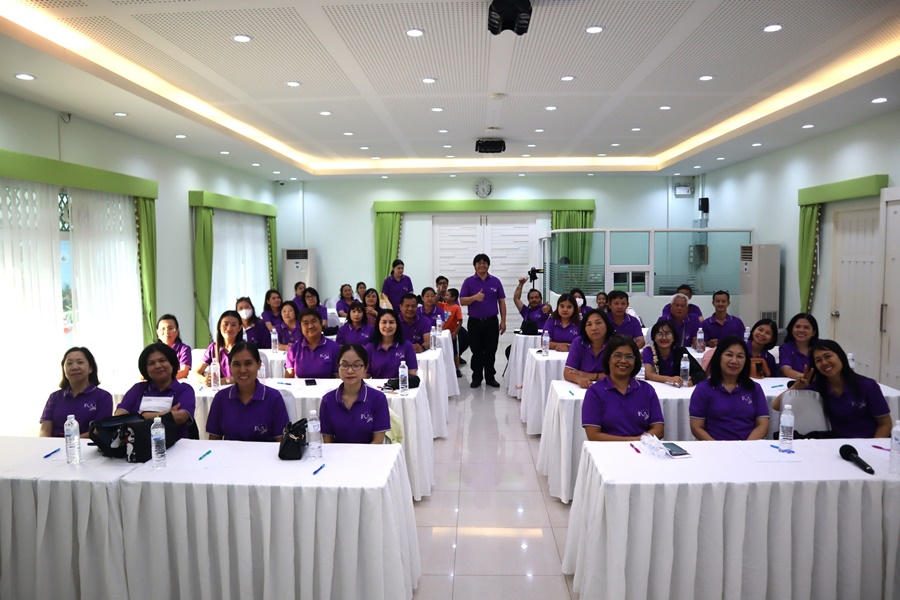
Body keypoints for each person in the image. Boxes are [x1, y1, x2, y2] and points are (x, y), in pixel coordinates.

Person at [773, 339, 892, 438]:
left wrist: (873, 446)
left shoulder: (867, 386)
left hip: (867, 442)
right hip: (836, 442)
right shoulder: (819, 386)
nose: (824, 363)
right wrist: (796, 387)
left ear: (841, 356)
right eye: (818, 360)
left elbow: (885, 424)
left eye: (828, 356)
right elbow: (777, 405)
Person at [581, 336, 664, 441]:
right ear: (608, 359)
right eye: (617, 356)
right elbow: (593, 435)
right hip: (607, 449)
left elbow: (659, 430)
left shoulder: (646, 390)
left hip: (642, 449)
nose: (623, 361)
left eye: (629, 357)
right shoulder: (595, 392)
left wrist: (639, 442)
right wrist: (635, 441)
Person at [689, 336, 769, 441]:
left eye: (740, 356)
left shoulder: (754, 388)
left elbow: (763, 425)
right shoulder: (703, 389)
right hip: (713, 447)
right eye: (729, 355)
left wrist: (745, 446)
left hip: (748, 447)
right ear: (719, 357)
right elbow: (696, 427)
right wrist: (718, 447)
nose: (734, 361)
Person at [206, 342, 290, 442]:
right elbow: (214, 441)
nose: (242, 370)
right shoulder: (221, 398)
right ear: (229, 366)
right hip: (230, 452)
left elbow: (281, 442)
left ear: (259, 364)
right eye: (236, 364)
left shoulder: (273, 398)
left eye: (248, 363)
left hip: (265, 452)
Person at [116, 342, 196, 439]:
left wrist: (140, 416)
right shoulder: (138, 389)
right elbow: (119, 416)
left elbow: (180, 417)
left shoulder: (184, 389)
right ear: (145, 369)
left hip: (176, 444)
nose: (158, 366)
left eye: (162, 360)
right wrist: (165, 414)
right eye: (151, 363)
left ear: (172, 364)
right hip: (137, 443)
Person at [320, 345, 391, 444]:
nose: (350, 371)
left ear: (366, 368)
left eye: (356, 365)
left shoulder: (378, 398)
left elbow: (377, 442)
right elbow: (328, 442)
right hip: (338, 454)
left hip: (370, 453)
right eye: (344, 365)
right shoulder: (328, 400)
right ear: (338, 367)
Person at [40, 347, 112, 437]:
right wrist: (46, 443)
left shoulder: (103, 397)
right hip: (55, 444)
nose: (74, 367)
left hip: (87, 444)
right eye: (69, 363)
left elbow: (99, 431)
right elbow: (45, 430)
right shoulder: (54, 397)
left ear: (90, 368)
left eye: (80, 362)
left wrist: (71, 441)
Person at [460, 254, 506, 388]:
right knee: (477, 351)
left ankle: (490, 377)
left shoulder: (495, 281)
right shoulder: (468, 281)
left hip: (491, 321)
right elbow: (462, 301)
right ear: (474, 266)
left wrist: (503, 321)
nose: (482, 265)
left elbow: (501, 302)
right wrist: (475, 297)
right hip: (475, 322)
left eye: (484, 263)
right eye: (479, 263)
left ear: (488, 265)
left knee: (491, 350)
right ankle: (477, 377)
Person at [642, 320, 705, 387]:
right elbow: (648, 375)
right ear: (654, 337)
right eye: (659, 334)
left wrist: (692, 380)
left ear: (673, 338)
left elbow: (701, 373)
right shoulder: (650, 350)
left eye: (668, 334)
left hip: (677, 389)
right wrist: (669, 379)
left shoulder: (680, 351)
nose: (664, 338)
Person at [285, 308, 339, 379]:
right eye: (305, 323)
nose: (310, 326)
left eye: (314, 321)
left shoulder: (334, 347)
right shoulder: (294, 349)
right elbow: (288, 380)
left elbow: (338, 378)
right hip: (301, 386)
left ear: (321, 323)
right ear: (301, 328)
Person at [194, 310, 244, 386]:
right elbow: (195, 372)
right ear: (219, 326)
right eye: (226, 324)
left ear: (240, 328)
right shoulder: (213, 348)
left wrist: (222, 381)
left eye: (233, 325)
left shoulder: (244, 348)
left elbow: (247, 375)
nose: (229, 328)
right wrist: (204, 379)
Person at [565, 309, 612, 388]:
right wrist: (580, 379)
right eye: (589, 324)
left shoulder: (615, 344)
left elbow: (620, 375)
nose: (594, 328)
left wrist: (591, 376)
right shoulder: (578, 342)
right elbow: (567, 372)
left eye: (598, 323)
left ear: (607, 324)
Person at [365, 309, 419, 378]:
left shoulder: (407, 346)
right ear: (378, 324)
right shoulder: (369, 348)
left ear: (397, 325)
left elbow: (412, 375)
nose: (388, 326)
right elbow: (365, 377)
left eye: (391, 322)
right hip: (377, 385)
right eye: (384, 322)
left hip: (401, 384)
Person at [779, 313, 819, 379]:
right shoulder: (785, 348)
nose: (801, 330)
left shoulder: (822, 346)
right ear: (791, 330)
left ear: (813, 332)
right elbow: (786, 370)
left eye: (806, 327)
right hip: (796, 382)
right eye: (797, 326)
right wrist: (805, 378)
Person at [439, 287, 465, 377]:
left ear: (453, 298)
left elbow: (460, 321)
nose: (445, 297)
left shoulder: (456, 308)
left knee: (454, 352)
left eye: (447, 295)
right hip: (443, 333)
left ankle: (457, 369)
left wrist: (456, 332)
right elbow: (435, 302)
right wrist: (438, 293)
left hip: (451, 334)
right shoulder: (444, 305)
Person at [156, 314, 191, 379]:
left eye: (170, 328)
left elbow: (184, 372)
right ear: (157, 333)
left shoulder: (184, 349)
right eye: (162, 329)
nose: (166, 332)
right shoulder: (153, 351)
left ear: (177, 331)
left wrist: (162, 378)